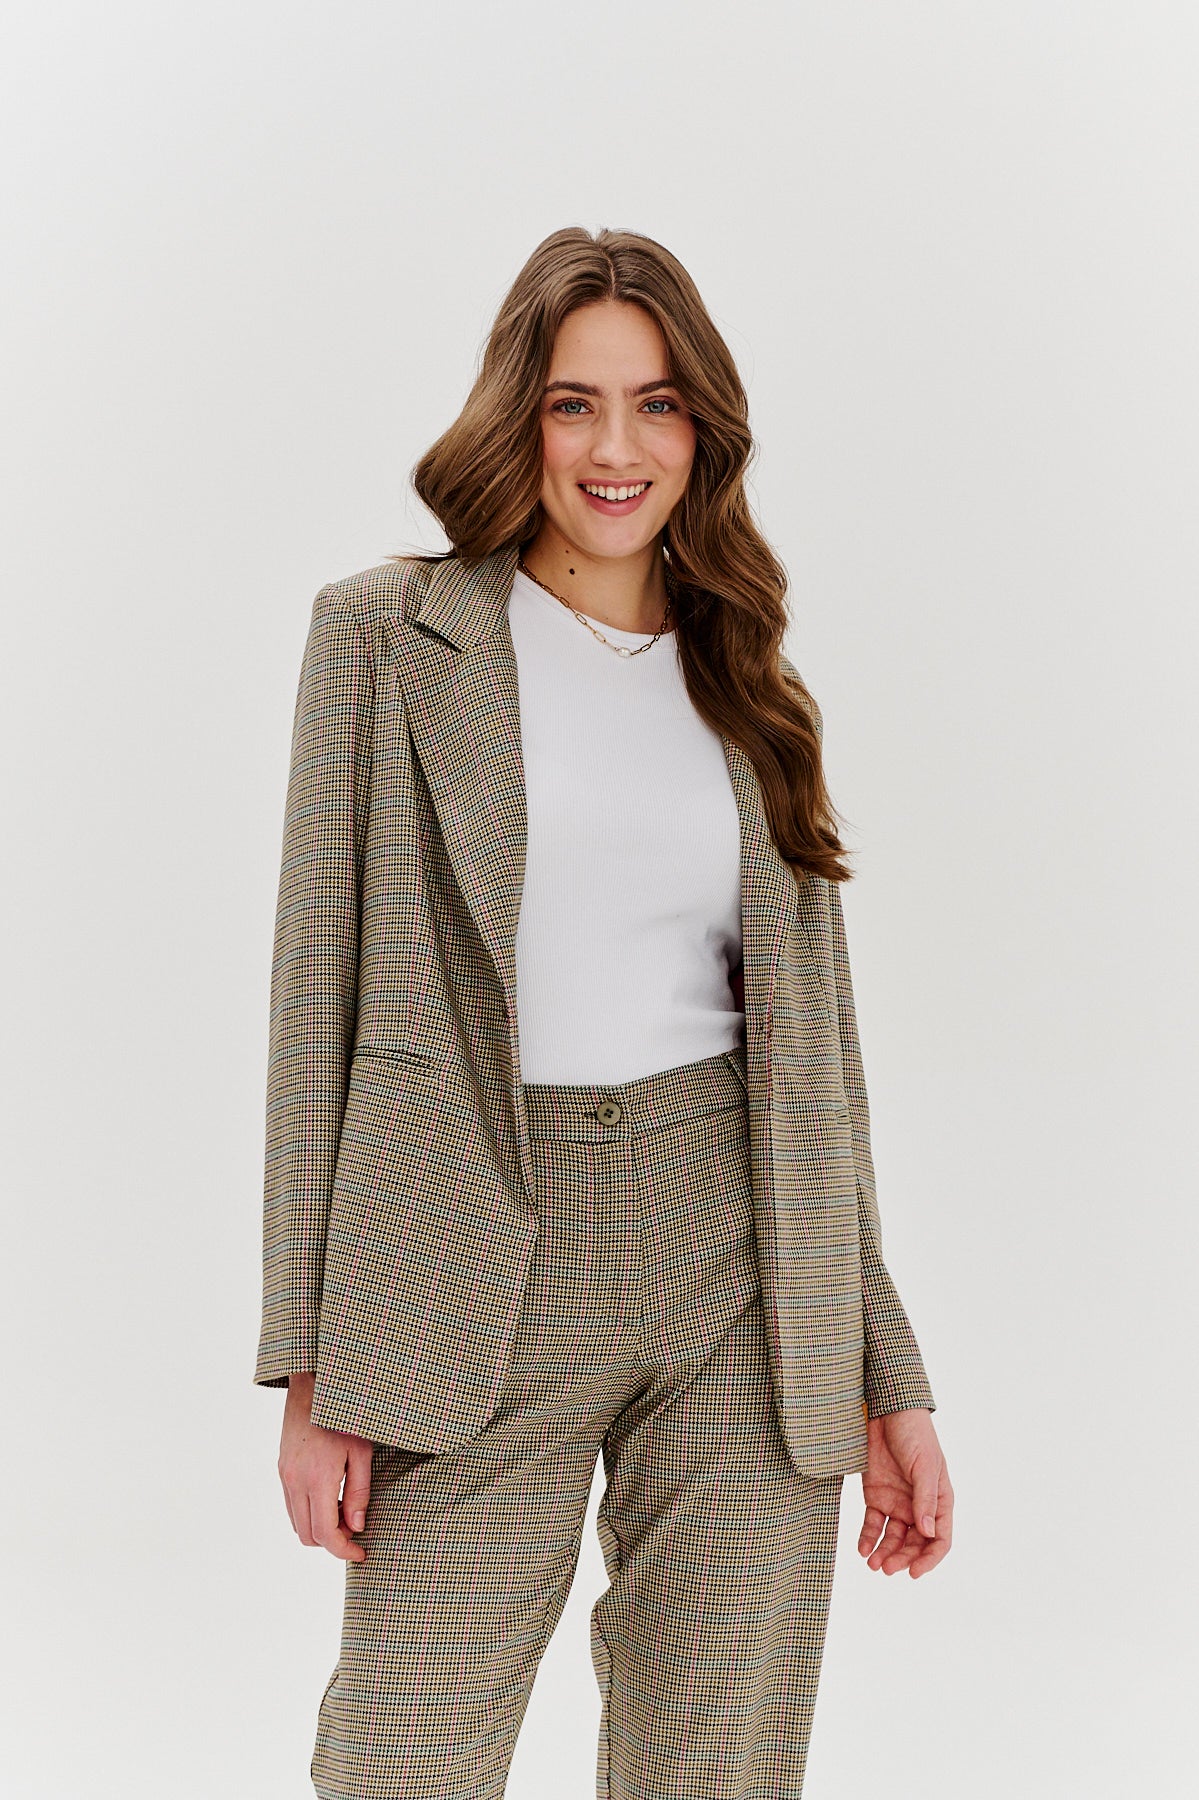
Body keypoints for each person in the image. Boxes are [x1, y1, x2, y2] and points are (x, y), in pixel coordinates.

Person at [255, 224, 954, 1800]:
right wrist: (309, 1366)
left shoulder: (750, 680)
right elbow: (313, 1014)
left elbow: (819, 1073)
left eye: (656, 405)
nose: (615, 449)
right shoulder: (388, 638)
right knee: (405, 1752)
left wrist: (887, 1374)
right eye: (574, 404)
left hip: (742, 1258)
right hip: (466, 1250)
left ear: (703, 430)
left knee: (713, 1763)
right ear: (522, 417)